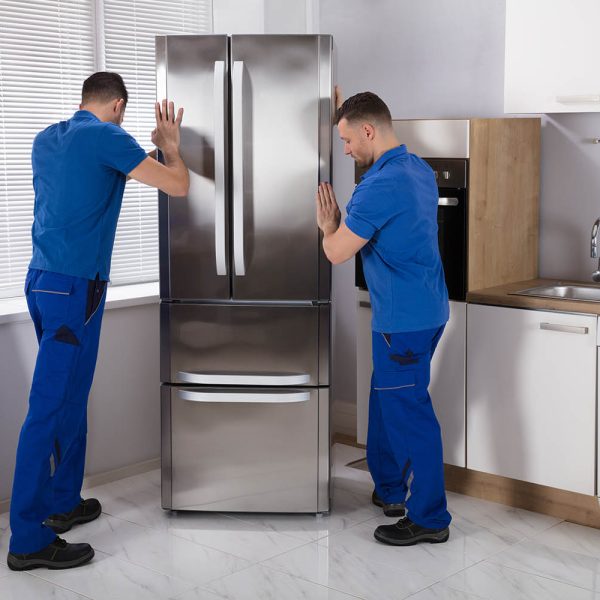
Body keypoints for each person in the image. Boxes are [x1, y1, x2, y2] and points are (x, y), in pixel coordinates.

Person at [7, 72, 189, 571]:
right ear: (119, 105)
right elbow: (178, 185)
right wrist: (170, 146)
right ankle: (26, 539)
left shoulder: (48, 138)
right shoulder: (108, 136)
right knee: (47, 408)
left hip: (42, 280)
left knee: (70, 394)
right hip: (73, 288)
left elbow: (83, 184)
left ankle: (63, 502)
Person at [315, 90, 451, 546]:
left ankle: (430, 518)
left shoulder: (378, 186)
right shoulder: (418, 169)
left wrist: (328, 225)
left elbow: (336, 253)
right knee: (386, 399)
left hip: (402, 321)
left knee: (409, 414)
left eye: (348, 140)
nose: (347, 149)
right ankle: (391, 489)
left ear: (368, 130)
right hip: (428, 310)